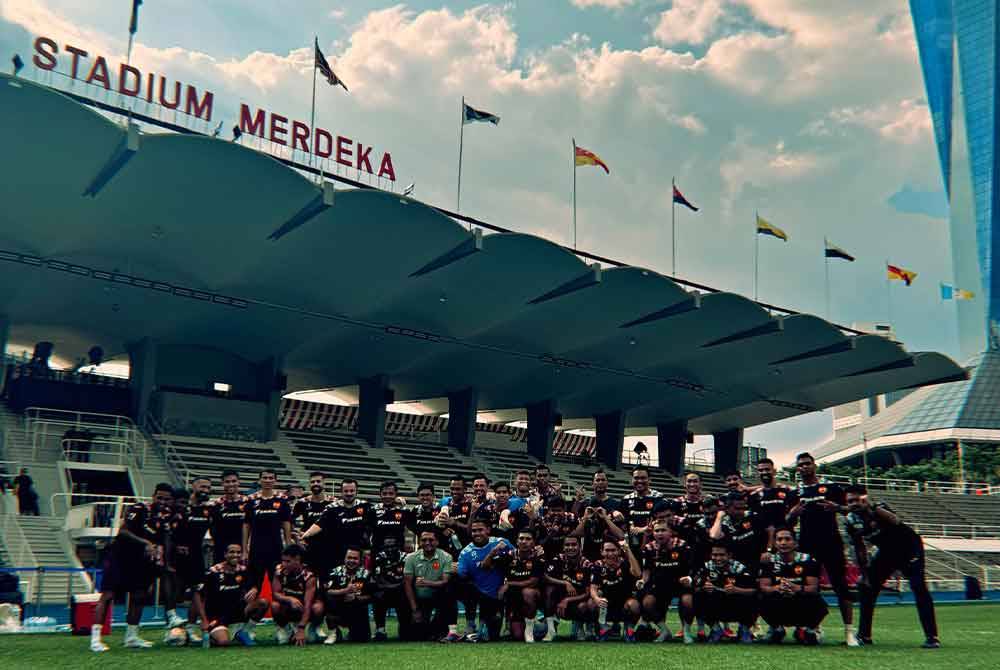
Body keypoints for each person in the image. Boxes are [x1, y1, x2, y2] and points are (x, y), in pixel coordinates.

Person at [844, 485, 940, 648]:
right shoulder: (850, 520)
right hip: (887, 553)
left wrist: (870, 508)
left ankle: (932, 636)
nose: (853, 503)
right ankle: (864, 635)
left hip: (909, 548)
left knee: (918, 587)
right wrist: (865, 574)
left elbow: (895, 520)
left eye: (856, 500)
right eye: (849, 501)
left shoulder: (879, 507)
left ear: (864, 498)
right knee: (866, 588)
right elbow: (860, 548)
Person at [90, 483, 174, 652]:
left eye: (166, 499)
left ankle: (131, 636)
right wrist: (146, 543)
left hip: (141, 562)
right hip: (120, 558)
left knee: (139, 596)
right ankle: (95, 639)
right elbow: (123, 531)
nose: (163, 501)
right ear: (153, 496)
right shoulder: (140, 508)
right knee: (108, 596)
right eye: (160, 498)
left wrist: (163, 556)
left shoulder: (165, 517)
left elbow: (164, 539)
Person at [787, 452, 858, 647]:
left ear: (814, 465)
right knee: (809, 588)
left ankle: (849, 632)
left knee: (840, 586)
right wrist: (792, 514)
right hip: (807, 545)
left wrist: (837, 508)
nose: (803, 467)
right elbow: (787, 522)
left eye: (807, 464)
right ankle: (812, 627)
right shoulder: (796, 493)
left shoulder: (831, 487)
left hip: (832, 543)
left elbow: (850, 508)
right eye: (800, 465)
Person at [757, 527, 828, 645]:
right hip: (779, 600)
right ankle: (776, 629)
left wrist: (796, 588)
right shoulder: (769, 561)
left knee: (817, 600)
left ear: (795, 543)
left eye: (787, 539)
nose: (783, 543)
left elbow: (814, 588)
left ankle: (809, 630)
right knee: (759, 597)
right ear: (775, 543)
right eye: (779, 539)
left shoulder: (808, 560)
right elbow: (764, 586)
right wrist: (778, 588)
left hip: (800, 600)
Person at [165, 478, 214, 639]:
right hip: (178, 557)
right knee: (177, 592)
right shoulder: (180, 507)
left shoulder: (208, 510)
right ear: (193, 486)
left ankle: (192, 628)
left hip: (197, 556)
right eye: (202, 486)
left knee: (198, 591)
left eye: (208, 487)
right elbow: (168, 535)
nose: (205, 489)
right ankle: (170, 628)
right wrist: (171, 554)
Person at [191, 543, 267, 647]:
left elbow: (253, 584)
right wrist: (203, 620)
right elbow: (197, 594)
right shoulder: (214, 572)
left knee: (262, 603)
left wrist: (254, 588)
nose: (235, 555)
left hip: (237, 613)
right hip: (217, 615)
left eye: (238, 552)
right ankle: (211, 635)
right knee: (224, 642)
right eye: (232, 552)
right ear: (225, 554)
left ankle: (244, 632)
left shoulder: (243, 570)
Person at [456, 518, 514, 641]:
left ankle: (509, 625)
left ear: (488, 530)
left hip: (500, 592)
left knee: (493, 636)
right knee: (464, 586)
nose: (477, 533)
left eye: (480, 530)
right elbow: (461, 576)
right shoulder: (466, 553)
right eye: (474, 531)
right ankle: (470, 624)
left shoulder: (502, 543)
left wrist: (507, 583)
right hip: (480, 594)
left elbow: (516, 561)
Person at [640, 519, 695, 643]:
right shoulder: (649, 548)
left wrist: (689, 578)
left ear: (671, 532)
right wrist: (643, 581)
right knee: (647, 602)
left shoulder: (682, 545)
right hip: (661, 585)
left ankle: (686, 631)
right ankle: (664, 631)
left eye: (663, 530)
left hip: (680, 584)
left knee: (688, 601)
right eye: (657, 531)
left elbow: (692, 567)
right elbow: (646, 570)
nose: (660, 533)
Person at [302, 478, 373, 569]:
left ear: (356, 491)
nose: (349, 493)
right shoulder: (332, 508)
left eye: (352, 491)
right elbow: (319, 524)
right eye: (346, 491)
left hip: (358, 553)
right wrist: (305, 535)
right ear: (341, 492)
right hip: (336, 553)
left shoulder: (365, 506)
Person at [693, 543, 756, 643]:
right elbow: (695, 588)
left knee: (755, 598)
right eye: (715, 555)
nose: (718, 558)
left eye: (722, 555)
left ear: (729, 555)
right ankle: (716, 630)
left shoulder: (739, 568)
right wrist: (703, 588)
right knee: (696, 596)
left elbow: (754, 590)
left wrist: (737, 590)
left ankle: (744, 630)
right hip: (716, 605)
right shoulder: (705, 567)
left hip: (736, 605)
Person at [404, 531, 459, 642]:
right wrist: (415, 610)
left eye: (431, 540)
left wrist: (426, 583)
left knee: (449, 591)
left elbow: (445, 581)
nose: (427, 543)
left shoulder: (446, 557)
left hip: (438, 598)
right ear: (419, 542)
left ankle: (449, 631)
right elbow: (407, 585)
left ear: (437, 542)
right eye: (424, 540)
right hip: (419, 599)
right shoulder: (411, 558)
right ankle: (427, 627)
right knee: (415, 636)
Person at [242, 469, 292, 586]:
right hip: (256, 548)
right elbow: (246, 525)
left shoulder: (282, 500)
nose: (268, 480)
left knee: (277, 581)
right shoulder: (251, 500)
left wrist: (288, 547)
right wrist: (245, 550)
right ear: (260, 480)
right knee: (254, 583)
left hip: (276, 547)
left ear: (275, 480)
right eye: (265, 478)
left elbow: (286, 524)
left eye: (271, 478)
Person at [497, 529, 545, 643]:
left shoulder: (538, 557)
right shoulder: (508, 556)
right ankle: (513, 623)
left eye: (528, 539)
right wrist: (493, 551)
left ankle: (532, 627)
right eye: (521, 538)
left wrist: (509, 584)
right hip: (516, 600)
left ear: (533, 542)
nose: (524, 541)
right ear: (517, 541)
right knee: (517, 636)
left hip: (533, 597)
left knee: (528, 592)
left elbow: (533, 582)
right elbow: (486, 566)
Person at [590, 539, 642, 641]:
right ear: (602, 552)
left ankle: (629, 629)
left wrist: (627, 550)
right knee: (591, 603)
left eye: (613, 550)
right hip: (606, 607)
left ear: (619, 551)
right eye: (607, 550)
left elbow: (637, 573)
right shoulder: (598, 565)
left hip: (624, 606)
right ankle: (603, 628)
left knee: (634, 605)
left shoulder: (625, 564)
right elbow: (593, 588)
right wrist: (596, 598)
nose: (610, 554)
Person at [271, 544, 323, 646]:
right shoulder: (279, 571)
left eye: (287, 561)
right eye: (283, 560)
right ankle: (286, 629)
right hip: (290, 607)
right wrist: (289, 599)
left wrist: (301, 628)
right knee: (274, 605)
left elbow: (308, 604)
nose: (284, 564)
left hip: (305, 608)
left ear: (297, 560)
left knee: (318, 607)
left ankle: (312, 628)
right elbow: (276, 593)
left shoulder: (309, 576)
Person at [543, 535, 593, 640]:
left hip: (577, 601)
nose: (570, 547)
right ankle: (551, 630)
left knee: (585, 606)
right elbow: (545, 577)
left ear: (580, 547)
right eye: (567, 545)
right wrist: (565, 583)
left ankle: (581, 627)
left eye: (574, 545)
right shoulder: (558, 559)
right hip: (558, 602)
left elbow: (587, 593)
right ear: (563, 547)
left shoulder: (586, 564)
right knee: (548, 589)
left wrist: (567, 600)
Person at [324, 546, 373, 644]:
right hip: (338, 611)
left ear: (360, 560)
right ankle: (334, 632)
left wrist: (356, 598)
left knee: (361, 639)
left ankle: (354, 632)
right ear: (344, 558)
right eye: (349, 558)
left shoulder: (367, 574)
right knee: (329, 600)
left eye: (355, 558)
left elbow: (372, 596)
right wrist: (344, 591)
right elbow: (327, 591)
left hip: (357, 613)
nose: (351, 561)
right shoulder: (335, 572)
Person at [709, 492, 766, 575]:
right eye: (737, 508)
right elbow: (714, 536)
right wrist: (719, 516)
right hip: (736, 566)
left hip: (756, 560)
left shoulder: (751, 516)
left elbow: (769, 530)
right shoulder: (723, 522)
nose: (741, 511)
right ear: (727, 508)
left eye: (743, 508)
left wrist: (768, 550)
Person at [292, 472, 336, 575]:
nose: (315, 483)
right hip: (308, 547)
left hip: (328, 547)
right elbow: (289, 520)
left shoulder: (333, 503)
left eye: (318, 481)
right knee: (309, 577)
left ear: (324, 483)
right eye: (312, 482)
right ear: (309, 484)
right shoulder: (302, 503)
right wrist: (296, 535)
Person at [748, 458, 795, 553]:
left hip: (784, 540)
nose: (764, 472)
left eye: (767, 469)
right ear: (758, 473)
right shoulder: (754, 495)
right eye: (761, 470)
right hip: (762, 541)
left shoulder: (787, 491)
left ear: (774, 471)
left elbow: (794, 515)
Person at [371, 542, 409, 641]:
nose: (390, 549)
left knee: (405, 594)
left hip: (402, 591)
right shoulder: (379, 557)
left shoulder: (406, 557)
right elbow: (378, 578)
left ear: (398, 546)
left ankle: (404, 628)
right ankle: (380, 630)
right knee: (377, 595)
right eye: (387, 546)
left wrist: (398, 586)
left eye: (393, 546)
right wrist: (392, 586)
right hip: (385, 592)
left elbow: (407, 578)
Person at [620, 466, 662, 553]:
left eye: (643, 478)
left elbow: (663, 521)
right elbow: (623, 524)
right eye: (636, 478)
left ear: (649, 480)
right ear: (632, 480)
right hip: (633, 547)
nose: (639, 481)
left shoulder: (658, 498)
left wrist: (642, 529)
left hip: (655, 547)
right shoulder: (626, 499)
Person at [211, 470, 246, 564]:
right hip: (222, 550)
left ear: (239, 482)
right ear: (222, 483)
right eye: (227, 482)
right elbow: (213, 529)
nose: (231, 484)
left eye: (234, 481)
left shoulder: (247, 503)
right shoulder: (216, 505)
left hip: (242, 550)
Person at [372, 480, 415, 554]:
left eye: (391, 493)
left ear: (396, 495)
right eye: (384, 493)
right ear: (380, 495)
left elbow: (412, 530)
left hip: (399, 554)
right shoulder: (372, 511)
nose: (387, 496)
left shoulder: (404, 511)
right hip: (377, 554)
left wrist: (409, 545)